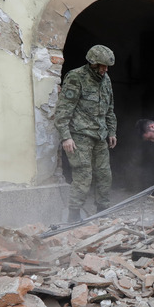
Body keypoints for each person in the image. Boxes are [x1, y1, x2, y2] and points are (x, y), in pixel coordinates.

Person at [55, 45, 118, 222]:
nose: (105, 70)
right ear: (92, 63)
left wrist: (112, 131)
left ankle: (102, 213)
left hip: (100, 136)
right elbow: (63, 109)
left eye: (107, 67)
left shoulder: (106, 80)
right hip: (79, 136)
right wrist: (66, 136)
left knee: (104, 175)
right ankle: (73, 215)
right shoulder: (76, 77)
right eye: (101, 66)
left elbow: (110, 108)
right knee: (83, 176)